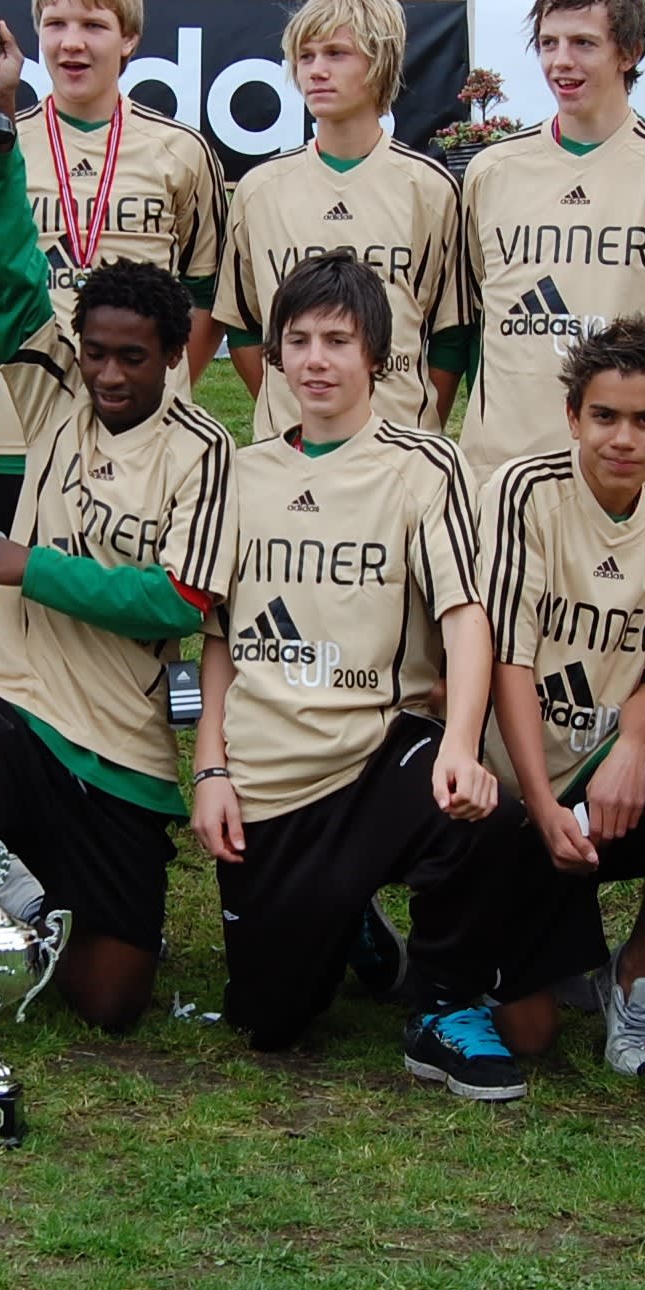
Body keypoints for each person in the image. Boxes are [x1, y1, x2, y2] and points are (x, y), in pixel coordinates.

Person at [0, 151, 235, 1033]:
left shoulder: (204, 448)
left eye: (133, 359)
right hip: (17, 707)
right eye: (97, 353)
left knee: (109, 1005)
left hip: (121, 748)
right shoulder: (55, 398)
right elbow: (14, 275)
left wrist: (31, 566)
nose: (109, 375)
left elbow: (179, 600)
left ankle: (29, 897)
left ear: (172, 356)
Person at [191, 253, 526, 1099]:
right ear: (274, 353)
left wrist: (461, 746)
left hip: (377, 754)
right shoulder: (241, 472)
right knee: (271, 1021)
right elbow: (219, 639)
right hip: (268, 778)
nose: (316, 360)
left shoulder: (424, 466)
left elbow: (466, 616)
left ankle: (444, 1006)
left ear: (376, 355)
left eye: (338, 341)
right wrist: (211, 770)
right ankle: (351, 922)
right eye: (299, 340)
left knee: (483, 814)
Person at [476, 315, 645, 1076]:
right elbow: (507, 661)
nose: (623, 438)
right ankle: (497, 936)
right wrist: (541, 805)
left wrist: (633, 751)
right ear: (573, 418)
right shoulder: (522, 493)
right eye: (605, 416)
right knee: (530, 1036)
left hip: (606, 781)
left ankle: (635, 973)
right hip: (512, 788)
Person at [0, 0, 227, 539]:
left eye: (93, 25)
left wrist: (162, 379)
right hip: (25, 432)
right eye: (56, 24)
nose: (72, 43)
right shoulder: (2, 142)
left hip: (150, 431)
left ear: (129, 38)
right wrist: (16, 382)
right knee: (19, 589)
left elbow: (207, 294)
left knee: (136, 589)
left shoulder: (181, 151)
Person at [452, 0, 645, 476]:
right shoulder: (491, 171)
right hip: (498, 477)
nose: (560, 62)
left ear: (629, 52)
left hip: (620, 482)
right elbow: (474, 325)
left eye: (583, 43)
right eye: (549, 43)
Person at [218, 0, 465, 438]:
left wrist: (416, 426)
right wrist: (288, 413)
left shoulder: (430, 190)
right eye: (306, 56)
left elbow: (450, 336)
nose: (316, 70)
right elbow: (245, 327)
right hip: (289, 449)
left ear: (379, 63)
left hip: (397, 448)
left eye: (336, 54)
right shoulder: (260, 190)